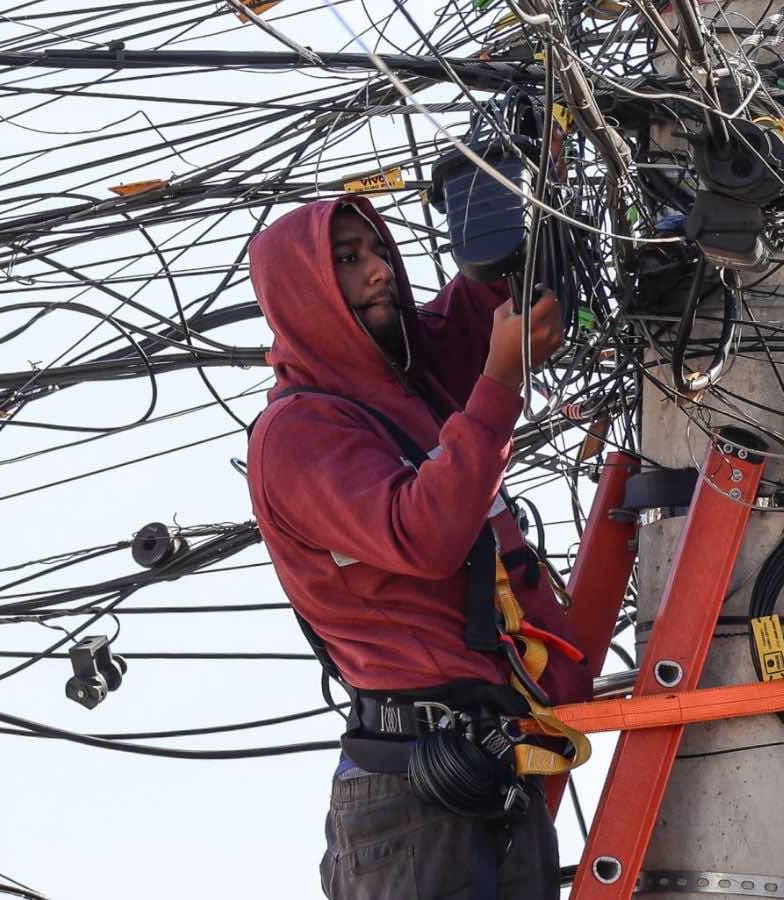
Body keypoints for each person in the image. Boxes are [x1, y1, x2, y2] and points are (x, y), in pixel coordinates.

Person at [244, 195, 588, 900]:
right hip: (413, 791)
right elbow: (423, 534)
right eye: (347, 260)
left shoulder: (407, 372)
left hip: (488, 770)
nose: (379, 274)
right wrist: (501, 381)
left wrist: (525, 170)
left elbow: (476, 303)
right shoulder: (298, 434)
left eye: (377, 253)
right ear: (304, 293)